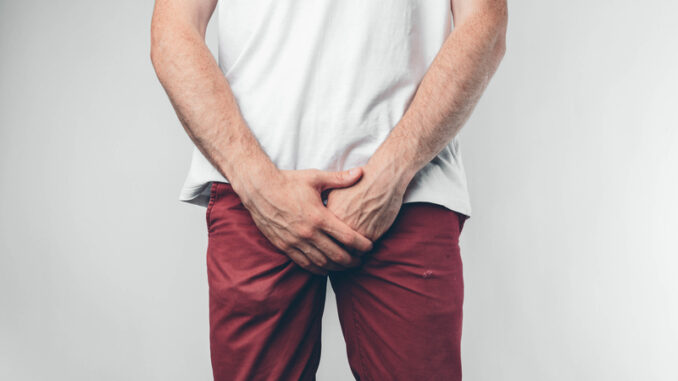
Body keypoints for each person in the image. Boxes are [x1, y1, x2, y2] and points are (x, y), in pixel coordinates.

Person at [150, 0, 507, 379]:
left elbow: (486, 19)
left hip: (406, 189)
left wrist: (392, 174)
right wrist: (259, 185)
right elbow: (173, 29)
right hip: (257, 193)